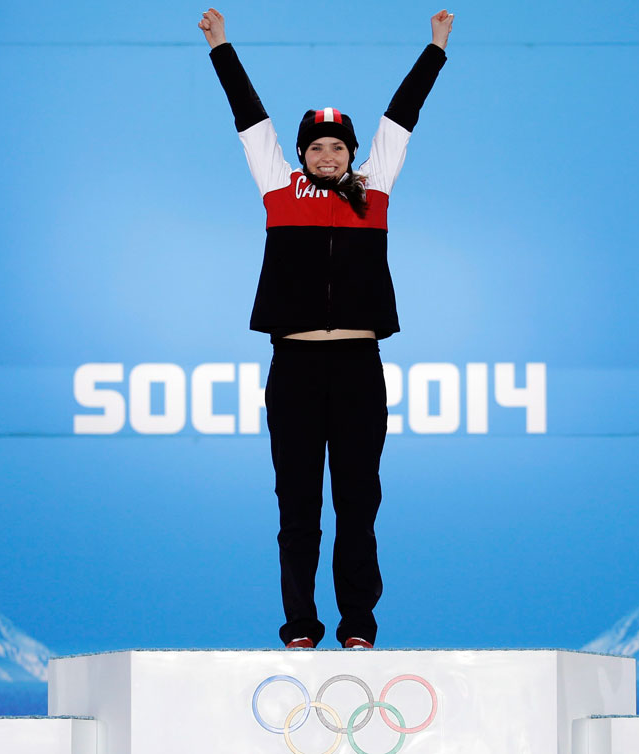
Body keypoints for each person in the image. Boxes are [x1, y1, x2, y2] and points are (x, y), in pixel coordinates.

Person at [199, 8, 452, 649]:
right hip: (296, 368)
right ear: (303, 153)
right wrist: (222, 49)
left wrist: (435, 51)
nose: (329, 154)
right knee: (297, 509)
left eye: (340, 146)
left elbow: (403, 118)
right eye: (317, 146)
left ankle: (358, 627)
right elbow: (250, 119)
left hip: (358, 370)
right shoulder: (278, 188)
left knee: (359, 505)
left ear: (353, 153)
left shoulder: (378, 187)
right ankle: (300, 627)